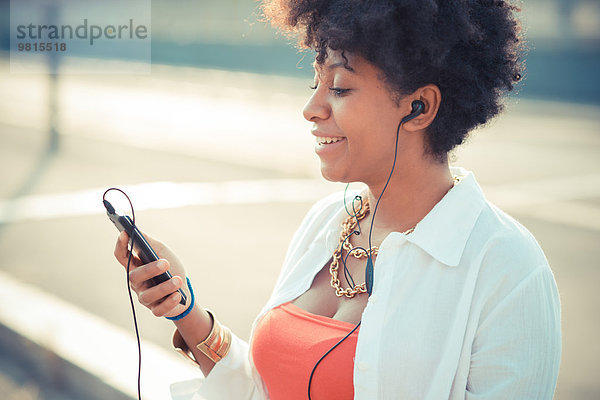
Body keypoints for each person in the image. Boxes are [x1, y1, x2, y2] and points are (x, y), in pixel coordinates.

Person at [113, 0, 561, 399]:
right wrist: (186, 312)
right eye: (315, 81)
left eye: (340, 87)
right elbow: (268, 388)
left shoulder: (508, 267)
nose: (311, 107)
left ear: (420, 107)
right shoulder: (326, 222)